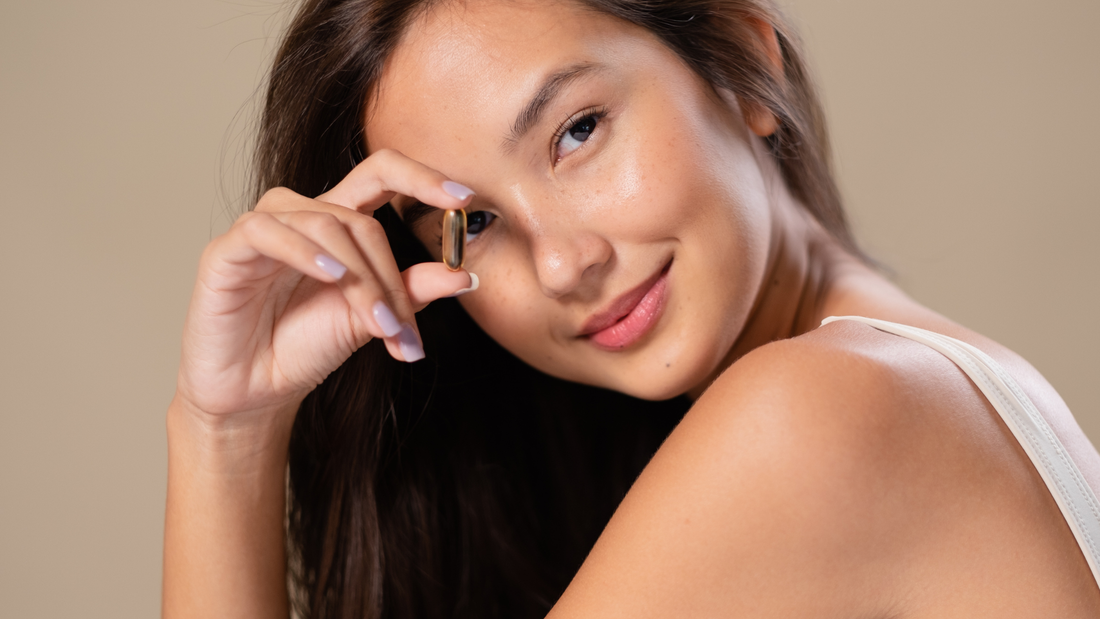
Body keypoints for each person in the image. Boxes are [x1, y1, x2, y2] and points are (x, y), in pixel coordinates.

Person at [162, 0, 1100, 616]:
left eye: (577, 131)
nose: (564, 263)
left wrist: (220, 437)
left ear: (738, 55)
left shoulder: (819, 412)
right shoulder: (913, 384)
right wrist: (235, 418)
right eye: (474, 221)